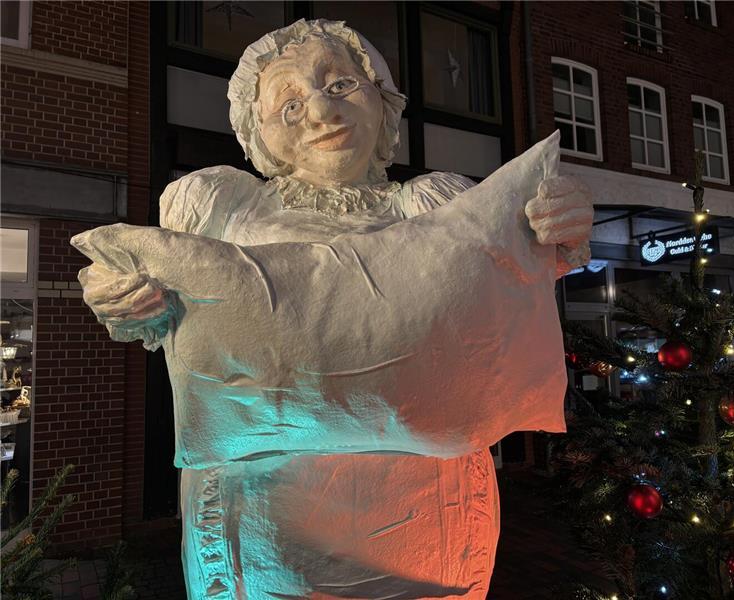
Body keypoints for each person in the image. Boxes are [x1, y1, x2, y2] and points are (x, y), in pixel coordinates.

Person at [79, 20, 592, 599]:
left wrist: (553, 234)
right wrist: (127, 298)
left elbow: (504, 301)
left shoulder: (436, 206)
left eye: (341, 85)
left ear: (382, 99)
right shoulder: (223, 207)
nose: (322, 112)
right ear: (257, 129)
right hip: (264, 513)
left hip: (429, 508)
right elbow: (164, 311)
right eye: (290, 104)